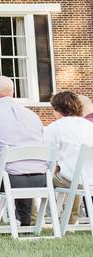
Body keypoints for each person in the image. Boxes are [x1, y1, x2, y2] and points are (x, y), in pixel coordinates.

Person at [0, 75, 47, 226]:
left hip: (5, 180)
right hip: (41, 179)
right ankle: (25, 221)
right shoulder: (33, 116)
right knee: (22, 166)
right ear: (12, 93)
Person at [44, 91, 93, 225]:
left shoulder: (54, 128)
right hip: (90, 179)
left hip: (72, 180)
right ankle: (71, 220)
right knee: (73, 173)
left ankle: (38, 220)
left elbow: (48, 158)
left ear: (58, 110)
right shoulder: (89, 125)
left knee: (43, 177)